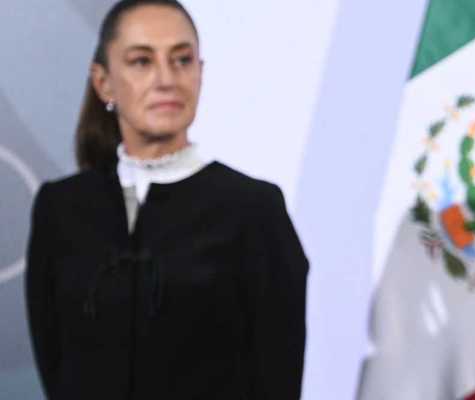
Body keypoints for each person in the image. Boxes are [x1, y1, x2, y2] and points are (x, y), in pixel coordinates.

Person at [24, 1, 308, 398]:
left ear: (200, 73)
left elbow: (278, 375)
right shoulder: (61, 209)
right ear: (104, 82)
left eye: (182, 60)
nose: (166, 79)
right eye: (142, 62)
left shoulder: (254, 209)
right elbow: (57, 367)